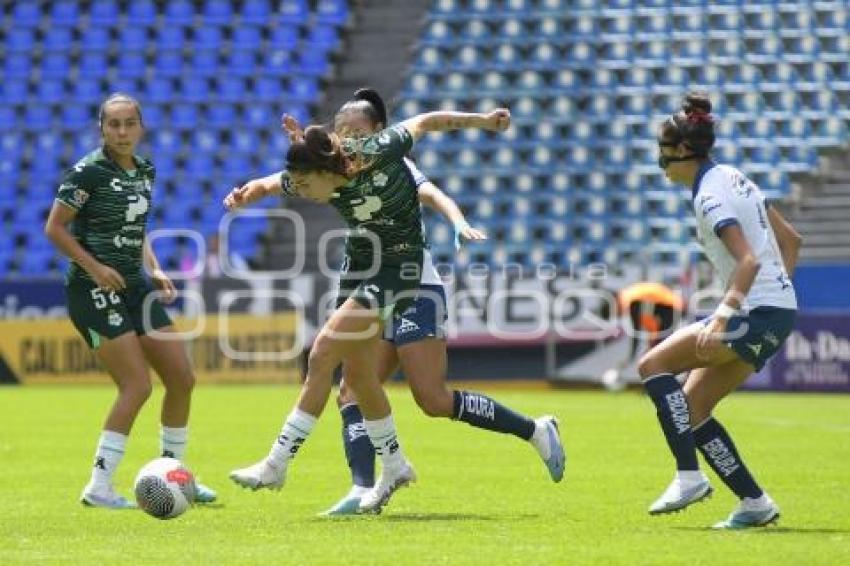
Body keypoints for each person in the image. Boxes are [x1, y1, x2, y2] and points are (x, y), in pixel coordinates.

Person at [226, 89, 566, 516]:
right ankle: (380, 475)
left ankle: (278, 463)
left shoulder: (381, 152)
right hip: (361, 266)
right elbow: (273, 183)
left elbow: (425, 122)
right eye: (341, 130)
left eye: (356, 130)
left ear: (374, 132)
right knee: (355, 380)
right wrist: (246, 195)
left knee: (376, 375)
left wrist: (483, 122)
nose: (308, 196)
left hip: (404, 270)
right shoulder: (317, 172)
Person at [44, 93, 217, 508]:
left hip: (135, 286)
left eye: (128, 123)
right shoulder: (88, 172)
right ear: (101, 128)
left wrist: (153, 267)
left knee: (182, 379)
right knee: (137, 386)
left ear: (141, 127)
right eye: (113, 124)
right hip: (93, 289)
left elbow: (134, 226)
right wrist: (95, 268)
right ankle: (99, 487)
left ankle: (174, 475)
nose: (121, 131)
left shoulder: (144, 170)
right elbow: (55, 229)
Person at [641, 91, 801, 528]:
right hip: (775, 310)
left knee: (653, 365)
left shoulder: (709, 197)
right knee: (692, 408)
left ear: (682, 152)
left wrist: (730, 312)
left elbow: (748, 260)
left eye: (663, 152)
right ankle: (755, 503)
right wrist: (777, 293)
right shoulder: (735, 177)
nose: (660, 162)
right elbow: (791, 240)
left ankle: (688, 476)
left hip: (754, 311)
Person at [601, 281, 685, 391]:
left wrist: (631, 355)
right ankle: (658, 385)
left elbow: (636, 332)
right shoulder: (629, 295)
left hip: (670, 307)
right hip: (668, 308)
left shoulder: (630, 299)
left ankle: (663, 386)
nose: (619, 315)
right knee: (654, 353)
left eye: (617, 314)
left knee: (656, 354)